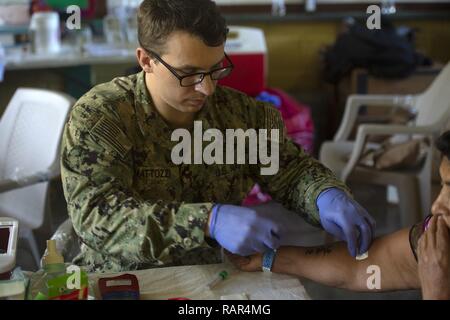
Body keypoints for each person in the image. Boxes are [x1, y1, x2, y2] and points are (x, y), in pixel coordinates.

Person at [60, 0, 375, 273]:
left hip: (212, 276)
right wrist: (207, 221)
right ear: (146, 60)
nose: (207, 89)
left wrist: (325, 195)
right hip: (123, 280)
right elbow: (96, 215)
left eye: (215, 69)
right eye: (189, 73)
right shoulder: (102, 117)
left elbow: (289, 170)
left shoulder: (239, 115)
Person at [229, 131, 450, 300]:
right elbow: (361, 267)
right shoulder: (441, 237)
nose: (437, 206)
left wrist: (436, 291)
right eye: (444, 186)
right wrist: (270, 258)